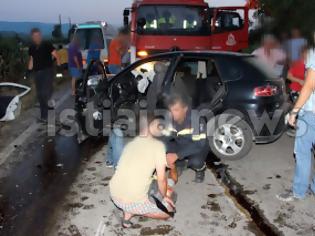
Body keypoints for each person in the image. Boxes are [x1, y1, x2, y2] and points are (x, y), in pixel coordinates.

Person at [109, 117, 176, 228]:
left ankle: (127, 216)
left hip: (114, 195)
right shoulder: (158, 146)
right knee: (169, 212)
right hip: (133, 202)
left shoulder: (131, 143)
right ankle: (133, 211)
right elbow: (162, 179)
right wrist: (164, 198)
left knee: (141, 184)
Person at [277, 45, 315, 202]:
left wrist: (294, 112)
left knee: (302, 153)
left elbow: (309, 85)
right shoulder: (297, 60)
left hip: (311, 113)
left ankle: (299, 191)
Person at [162, 94, 209, 183]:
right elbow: (164, 139)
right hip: (180, 143)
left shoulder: (196, 119)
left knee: (196, 162)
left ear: (185, 109)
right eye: (170, 110)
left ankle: (201, 169)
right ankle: (180, 164)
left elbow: (199, 144)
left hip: (197, 146)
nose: (172, 114)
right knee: (161, 148)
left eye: (176, 110)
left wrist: (177, 155)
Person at [26, 28, 60, 123]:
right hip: (37, 73)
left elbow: (55, 54)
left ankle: (50, 112)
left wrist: (59, 64)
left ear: (40, 35)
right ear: (32, 37)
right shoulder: (32, 47)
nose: (36, 38)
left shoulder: (47, 45)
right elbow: (31, 60)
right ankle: (44, 116)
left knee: (45, 93)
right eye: (34, 36)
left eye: (38, 35)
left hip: (47, 71)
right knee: (40, 95)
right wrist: (28, 71)